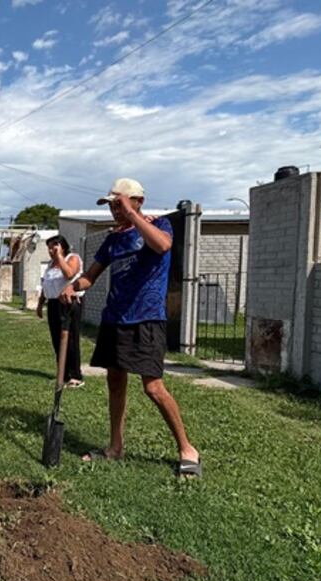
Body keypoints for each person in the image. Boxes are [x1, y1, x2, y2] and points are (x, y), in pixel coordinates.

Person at [60, 178, 201, 477]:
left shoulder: (159, 224)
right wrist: (74, 287)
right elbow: (90, 276)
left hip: (147, 318)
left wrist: (133, 216)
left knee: (153, 387)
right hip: (115, 318)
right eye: (111, 205)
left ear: (138, 201)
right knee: (115, 380)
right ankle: (115, 447)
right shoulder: (113, 240)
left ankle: (187, 449)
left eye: (119, 203)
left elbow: (163, 246)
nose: (115, 210)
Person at [36, 235, 85, 388]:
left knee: (71, 340)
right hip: (53, 303)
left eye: (54, 247)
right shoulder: (50, 265)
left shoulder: (72, 258)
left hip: (68, 302)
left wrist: (59, 256)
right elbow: (46, 285)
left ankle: (75, 375)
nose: (51, 250)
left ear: (62, 246)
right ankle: (63, 374)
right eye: (49, 248)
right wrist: (40, 304)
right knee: (57, 339)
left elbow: (69, 274)